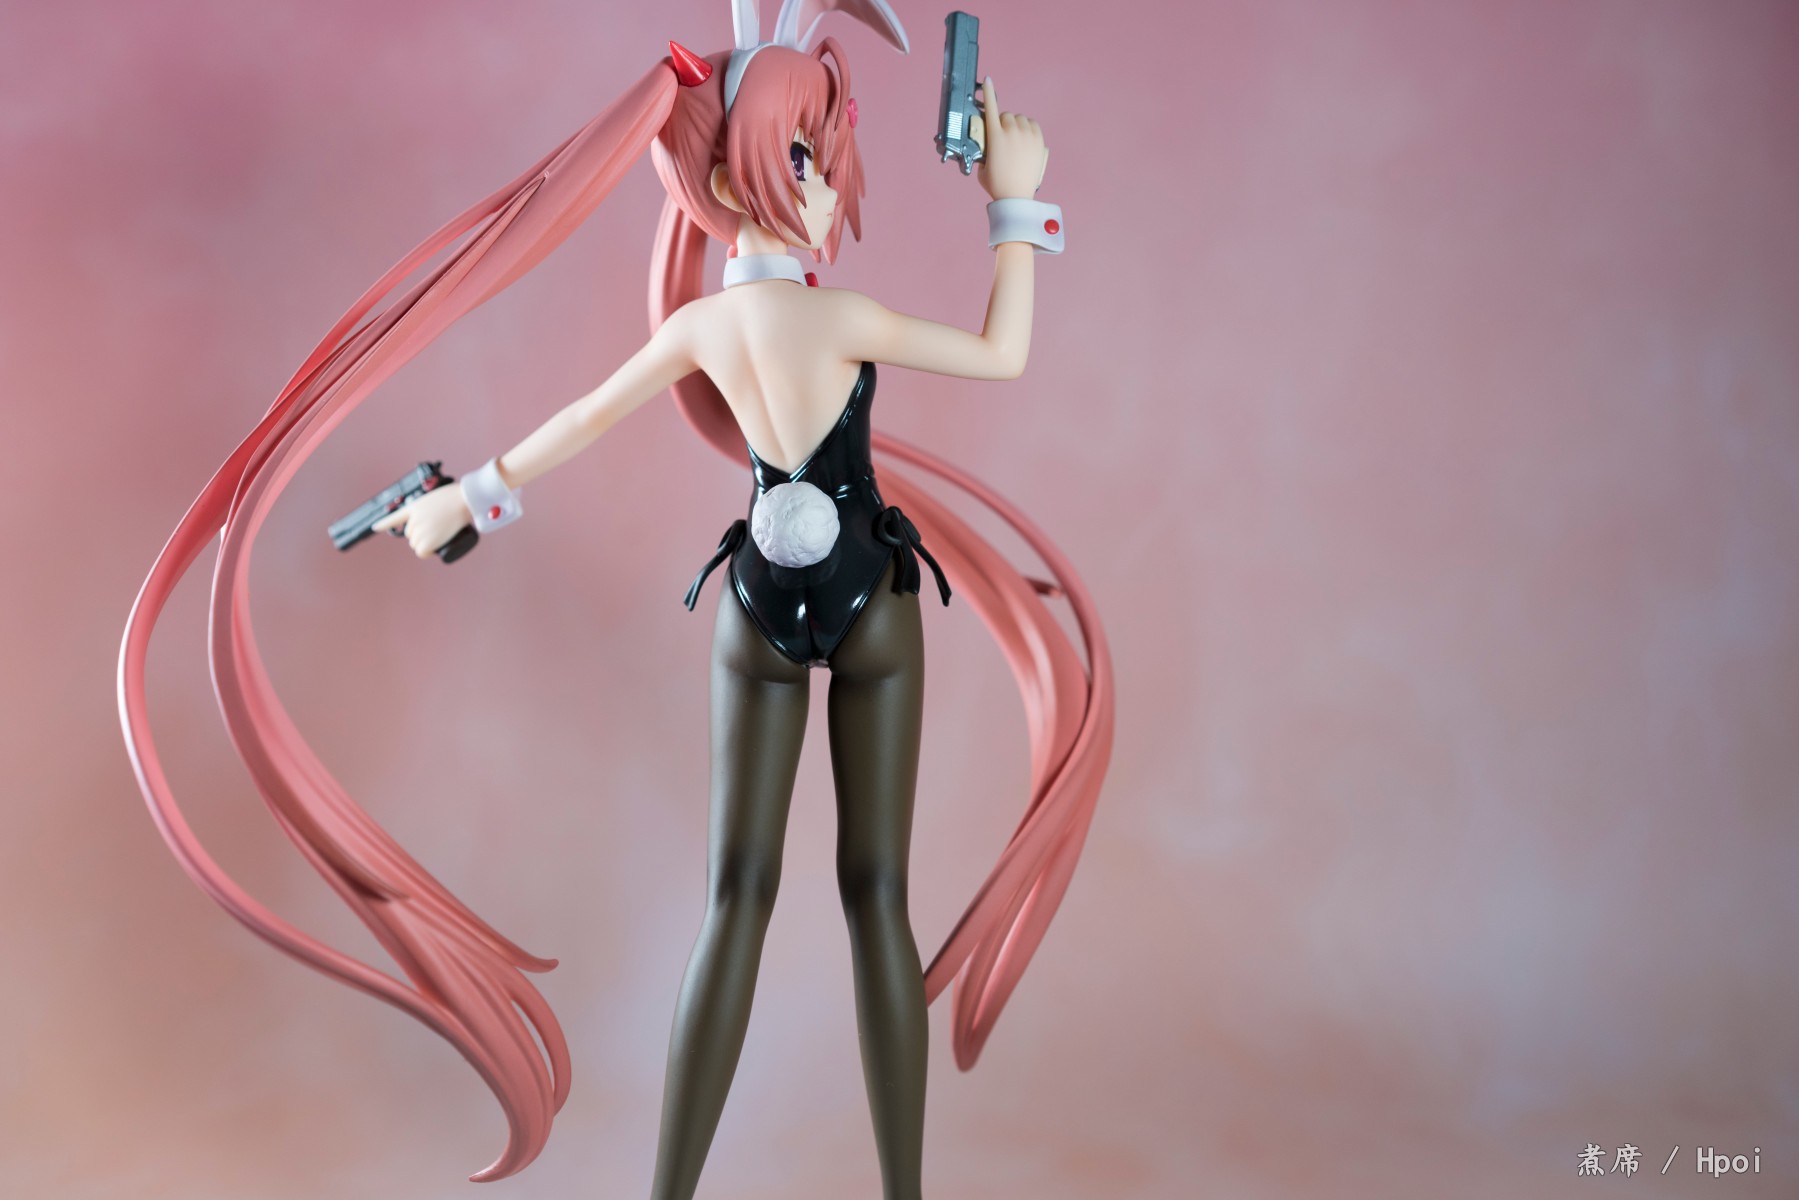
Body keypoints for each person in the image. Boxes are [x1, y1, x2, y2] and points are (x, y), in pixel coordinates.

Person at [118, 4, 1112, 1196]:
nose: (825, 186)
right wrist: (1015, 203)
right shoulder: (837, 318)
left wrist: (466, 500)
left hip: (756, 599)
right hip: (868, 601)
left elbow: (576, 423)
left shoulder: (702, 327)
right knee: (874, 898)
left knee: (735, 900)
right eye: (804, 157)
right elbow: (1002, 352)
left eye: (821, 155)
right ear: (727, 177)